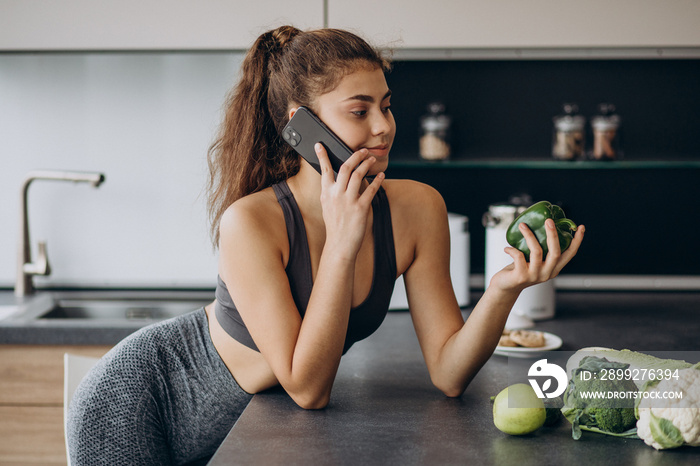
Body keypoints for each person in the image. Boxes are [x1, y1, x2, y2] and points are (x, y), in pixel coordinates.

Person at [67, 25, 584, 465]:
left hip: (244, 430)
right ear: (301, 126)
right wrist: (343, 240)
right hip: (144, 397)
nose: (383, 127)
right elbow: (307, 388)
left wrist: (503, 290)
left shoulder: (417, 209)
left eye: (386, 106)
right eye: (359, 111)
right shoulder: (250, 222)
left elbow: (449, 375)